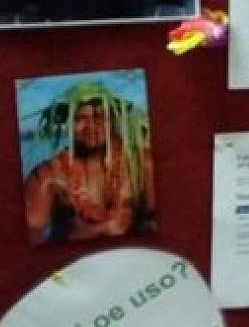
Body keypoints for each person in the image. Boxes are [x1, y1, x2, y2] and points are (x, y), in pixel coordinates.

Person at [22, 93, 153, 244]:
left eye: (100, 116)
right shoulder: (48, 176)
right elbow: (30, 235)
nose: (91, 125)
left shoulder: (141, 164)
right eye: (80, 118)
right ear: (68, 124)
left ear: (113, 121)